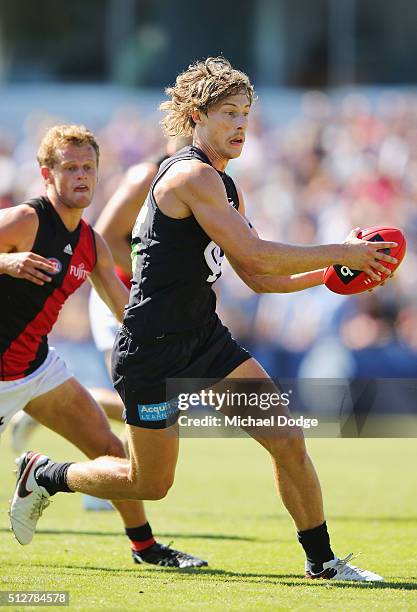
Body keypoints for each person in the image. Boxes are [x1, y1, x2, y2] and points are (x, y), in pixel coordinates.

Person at [11, 61, 397, 580]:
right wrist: (342, 250)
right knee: (150, 483)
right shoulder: (190, 175)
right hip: (151, 349)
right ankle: (48, 475)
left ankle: (322, 561)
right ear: (196, 116)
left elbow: (260, 279)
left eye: (246, 114)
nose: (241, 125)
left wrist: (330, 273)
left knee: (286, 437)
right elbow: (257, 255)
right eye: (228, 114)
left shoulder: (224, 186)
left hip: (205, 340)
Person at [1, 123, 206, 568]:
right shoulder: (23, 220)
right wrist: (6, 260)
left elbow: (126, 312)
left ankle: (145, 549)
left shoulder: (91, 242)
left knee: (111, 451)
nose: (81, 176)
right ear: (46, 175)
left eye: (88, 168)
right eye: (70, 167)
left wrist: (180, 340)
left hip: (38, 370)